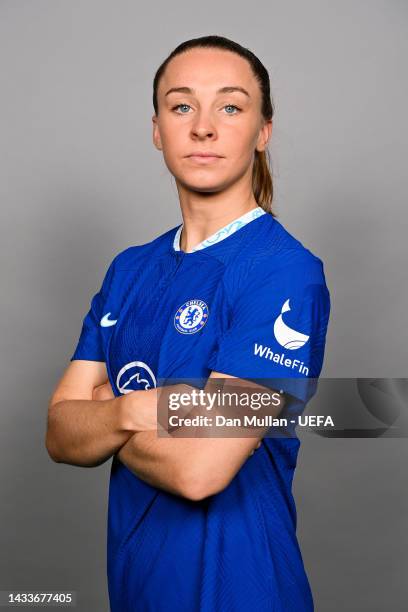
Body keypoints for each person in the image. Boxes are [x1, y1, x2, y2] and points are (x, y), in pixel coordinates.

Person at [46, 35, 331, 612]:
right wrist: (140, 408)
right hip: (137, 589)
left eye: (230, 106)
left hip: (243, 591)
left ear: (263, 130)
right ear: (157, 129)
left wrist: (102, 410)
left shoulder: (282, 272)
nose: (204, 127)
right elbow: (59, 437)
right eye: (182, 106)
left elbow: (201, 469)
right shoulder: (129, 270)